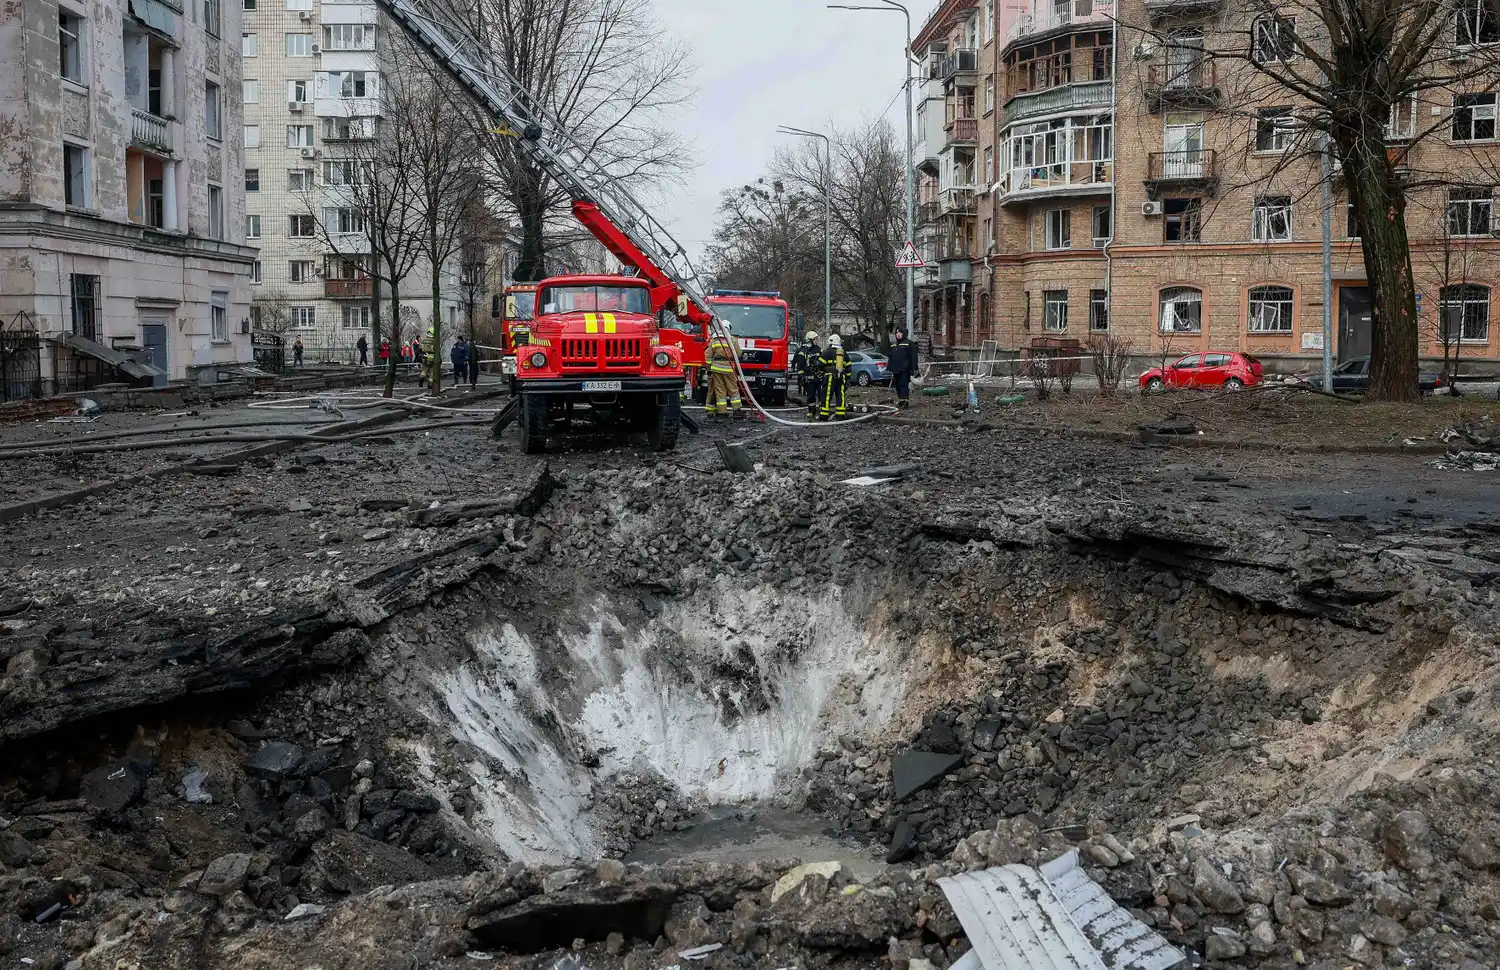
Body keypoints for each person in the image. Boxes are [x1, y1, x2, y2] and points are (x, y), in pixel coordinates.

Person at [704, 322, 742, 420]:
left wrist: (708, 367)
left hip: (716, 369)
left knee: (719, 390)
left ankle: (722, 412)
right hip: (728, 368)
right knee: (733, 389)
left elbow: (708, 355)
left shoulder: (714, 340)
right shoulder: (732, 340)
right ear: (728, 328)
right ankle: (737, 410)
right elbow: (738, 354)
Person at [817, 334, 850, 421]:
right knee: (840, 395)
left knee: (827, 396)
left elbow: (820, 365)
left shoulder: (826, 352)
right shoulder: (843, 353)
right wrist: (847, 379)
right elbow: (848, 367)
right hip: (841, 377)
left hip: (830, 377)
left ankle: (824, 415)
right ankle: (841, 415)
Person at [887, 326, 919, 409]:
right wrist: (889, 366)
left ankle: (905, 402)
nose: (898, 334)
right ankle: (901, 400)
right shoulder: (894, 344)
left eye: (900, 333)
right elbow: (891, 356)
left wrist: (914, 368)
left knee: (903, 385)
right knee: (897, 385)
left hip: (905, 369)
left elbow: (913, 357)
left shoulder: (909, 343)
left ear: (904, 334)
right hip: (895, 369)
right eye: (897, 333)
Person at [792, 331, 818, 401]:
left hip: (818, 378)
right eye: (815, 339)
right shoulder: (803, 351)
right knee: (810, 398)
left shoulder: (819, 349)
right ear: (810, 340)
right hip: (808, 377)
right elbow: (800, 365)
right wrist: (801, 376)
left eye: (817, 339)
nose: (816, 341)